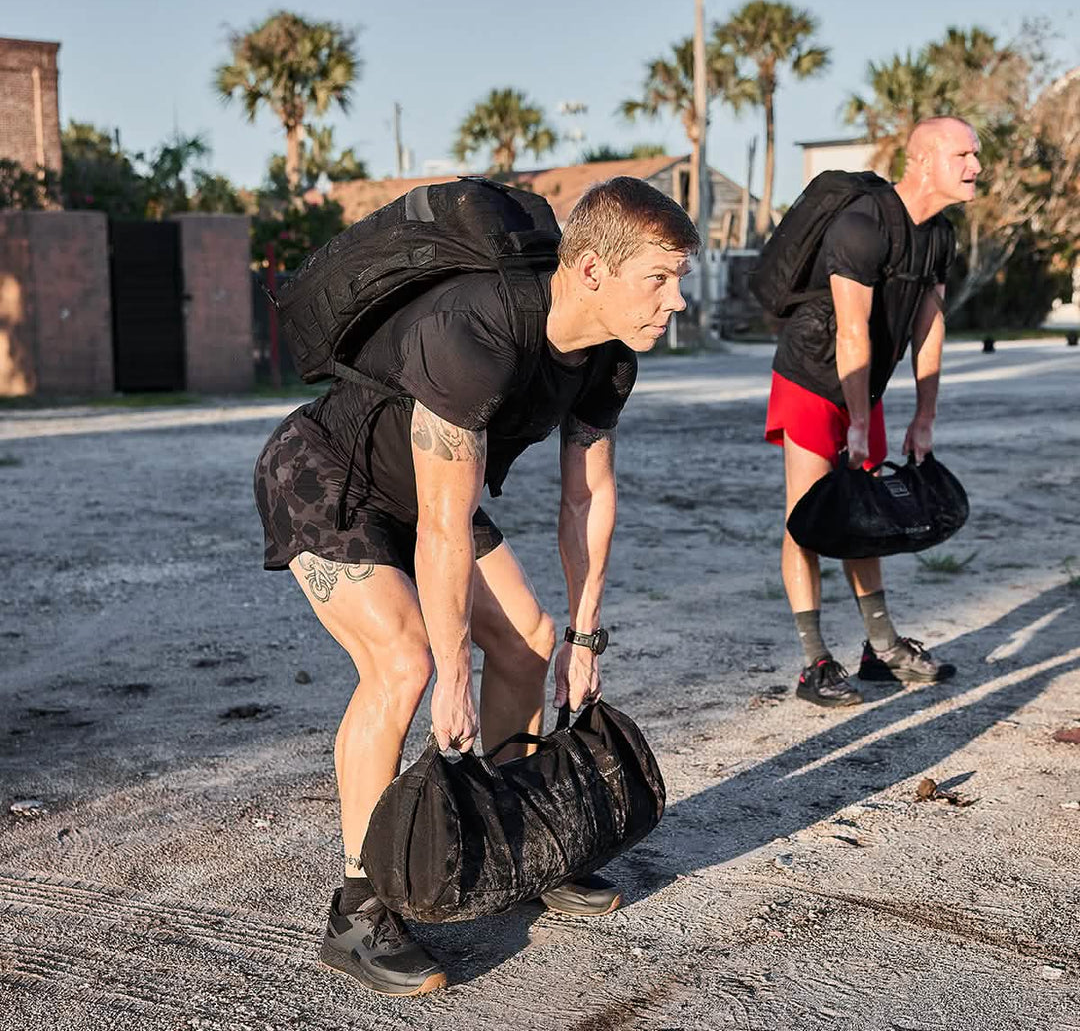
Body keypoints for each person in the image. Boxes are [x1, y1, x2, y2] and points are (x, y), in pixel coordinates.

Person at [254, 176, 697, 995]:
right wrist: (454, 673)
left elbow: (588, 494)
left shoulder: (609, 359)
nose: (675, 300)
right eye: (659, 279)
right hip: (327, 478)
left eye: (679, 281)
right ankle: (356, 913)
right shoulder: (479, 329)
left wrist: (586, 634)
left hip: (427, 495)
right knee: (406, 664)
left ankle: (520, 844)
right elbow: (446, 529)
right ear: (594, 268)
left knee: (530, 644)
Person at [765, 116, 981, 707]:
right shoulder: (862, 226)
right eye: (964, 153)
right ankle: (814, 662)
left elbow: (929, 328)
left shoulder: (939, 234)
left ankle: (881, 648)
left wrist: (924, 416)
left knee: (866, 513)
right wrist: (857, 423)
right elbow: (853, 331)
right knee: (807, 515)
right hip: (813, 374)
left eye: (975, 154)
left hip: (866, 386)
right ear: (925, 161)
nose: (975, 166)